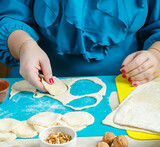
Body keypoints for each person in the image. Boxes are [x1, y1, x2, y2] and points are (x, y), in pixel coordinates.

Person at [0, 0, 160, 92]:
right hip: (37, 84)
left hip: (126, 86)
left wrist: (156, 54)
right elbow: (10, 15)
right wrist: (24, 45)